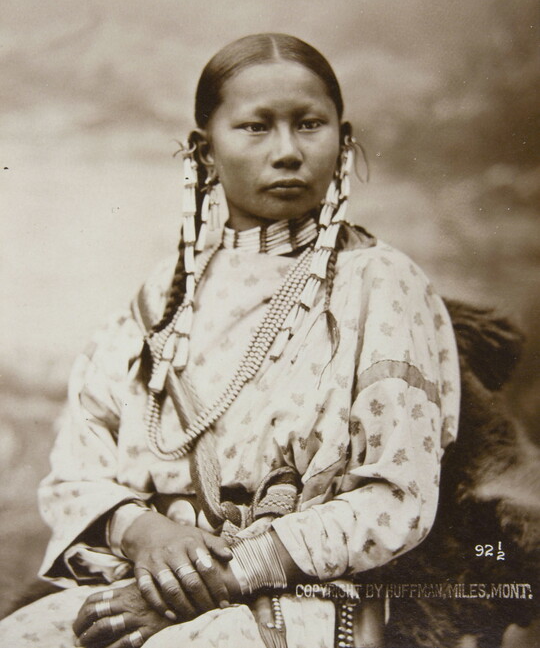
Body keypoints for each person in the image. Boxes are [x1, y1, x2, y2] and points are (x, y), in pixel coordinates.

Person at [0, 34, 460, 648]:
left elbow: (396, 498)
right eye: (256, 127)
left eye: (309, 124)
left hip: (307, 601)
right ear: (205, 151)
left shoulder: (382, 286)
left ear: (343, 140)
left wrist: (220, 577)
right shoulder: (160, 300)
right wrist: (146, 534)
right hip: (145, 581)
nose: (288, 151)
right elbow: (78, 468)